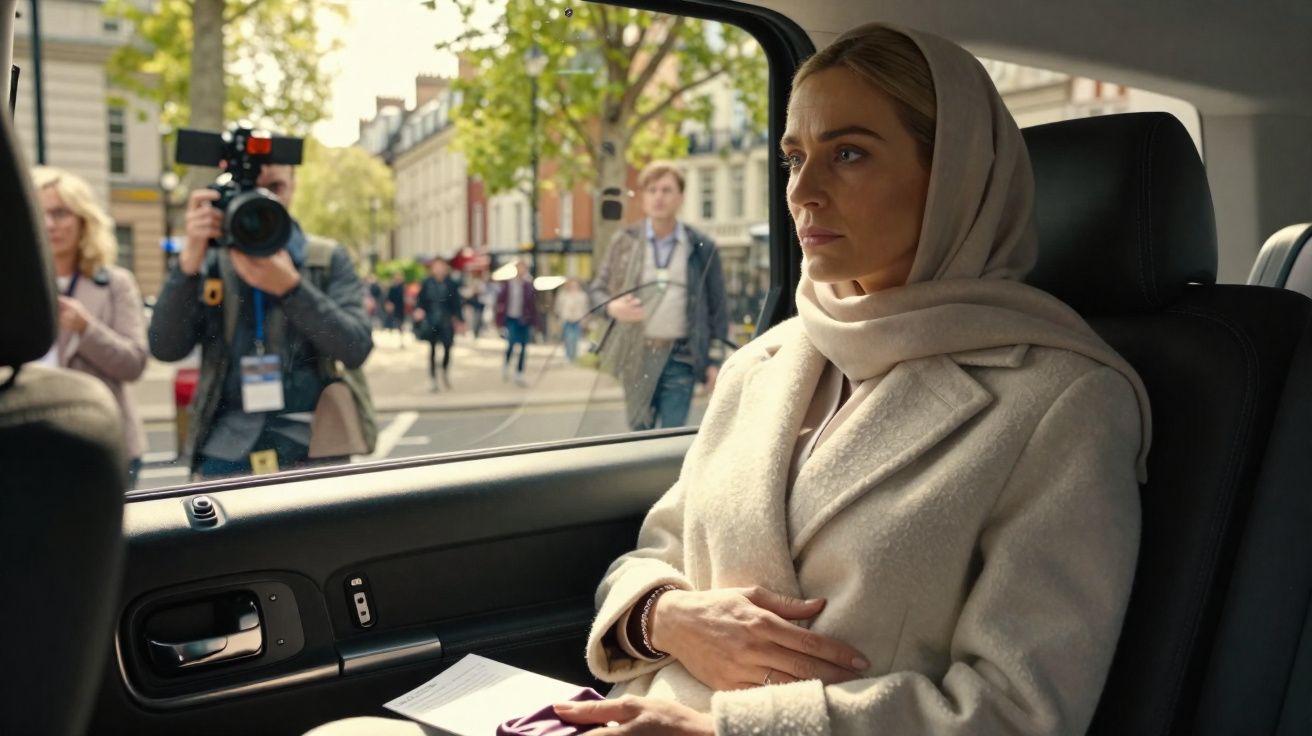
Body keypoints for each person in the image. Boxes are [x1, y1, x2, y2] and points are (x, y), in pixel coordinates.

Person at [307, 22, 1152, 736]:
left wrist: (724, 730)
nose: (803, 191)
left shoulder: (1063, 402)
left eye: (849, 153)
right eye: (792, 156)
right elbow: (657, 552)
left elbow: (1017, 710)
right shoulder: (769, 361)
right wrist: (663, 616)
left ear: (956, 178)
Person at [149, 159, 372, 479]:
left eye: (275, 188)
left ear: (294, 186)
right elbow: (165, 347)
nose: (263, 201)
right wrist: (188, 264)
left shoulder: (324, 258)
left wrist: (293, 289)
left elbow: (356, 348)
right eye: (252, 189)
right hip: (225, 445)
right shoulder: (211, 261)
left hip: (313, 445)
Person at [31, 166, 149, 489]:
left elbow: (134, 363)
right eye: (40, 213)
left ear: (84, 220)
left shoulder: (115, 284)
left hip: (102, 444)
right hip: (32, 444)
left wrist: (87, 328)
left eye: (60, 213)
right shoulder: (18, 285)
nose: (49, 224)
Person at [589, 161, 728, 431]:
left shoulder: (701, 245)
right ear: (642, 198)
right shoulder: (624, 241)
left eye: (666, 190)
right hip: (636, 356)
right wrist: (613, 307)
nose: (658, 197)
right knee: (639, 436)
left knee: (670, 438)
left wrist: (714, 361)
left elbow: (718, 309)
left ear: (680, 197)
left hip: (682, 357)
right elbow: (596, 292)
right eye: (651, 190)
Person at [413, 257, 464, 391]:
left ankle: (445, 371)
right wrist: (419, 310)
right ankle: (433, 379)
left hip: (446, 321)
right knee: (432, 350)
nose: (439, 269)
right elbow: (420, 300)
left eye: (441, 266)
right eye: (436, 266)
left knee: (448, 348)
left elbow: (457, 303)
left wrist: (459, 320)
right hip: (431, 321)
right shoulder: (427, 283)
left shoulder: (451, 284)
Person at [495, 260, 539, 387]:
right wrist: (499, 322)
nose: (521, 271)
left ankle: (519, 373)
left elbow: (533, 306)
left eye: (523, 268)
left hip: (524, 320)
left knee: (524, 347)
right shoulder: (508, 285)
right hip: (511, 318)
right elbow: (500, 304)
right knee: (511, 343)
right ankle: (506, 365)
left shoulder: (528, 285)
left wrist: (535, 323)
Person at [554, 277, 590, 363]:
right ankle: (568, 356)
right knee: (568, 339)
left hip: (578, 320)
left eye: (575, 286)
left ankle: (573, 357)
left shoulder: (582, 296)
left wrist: (585, 320)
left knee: (575, 339)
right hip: (567, 319)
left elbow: (585, 308)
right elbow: (558, 307)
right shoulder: (563, 295)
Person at [384, 272, 407, 346]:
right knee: (393, 322)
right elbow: (389, 298)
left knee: (400, 324)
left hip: (401, 308)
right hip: (394, 308)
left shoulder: (403, 287)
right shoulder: (393, 288)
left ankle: (401, 340)